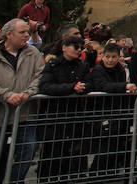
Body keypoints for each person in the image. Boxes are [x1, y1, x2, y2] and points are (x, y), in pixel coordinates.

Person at [0, 19, 42, 184]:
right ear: (9, 34)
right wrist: (6, 95)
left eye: (28, 32)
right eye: (22, 32)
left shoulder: (33, 53)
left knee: (27, 152)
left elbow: (40, 76)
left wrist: (27, 93)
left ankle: (15, 181)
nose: (27, 35)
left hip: (25, 114)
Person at [37, 36, 91, 180]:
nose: (79, 50)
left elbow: (90, 82)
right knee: (52, 156)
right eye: (75, 47)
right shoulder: (53, 64)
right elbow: (45, 86)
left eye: (81, 48)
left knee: (72, 155)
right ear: (64, 47)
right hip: (55, 117)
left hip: (75, 116)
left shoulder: (82, 65)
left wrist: (83, 87)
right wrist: (71, 87)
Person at [87, 42, 136, 176]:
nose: (110, 60)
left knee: (115, 146)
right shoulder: (98, 70)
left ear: (119, 57)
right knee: (104, 149)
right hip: (102, 112)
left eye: (114, 57)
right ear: (103, 56)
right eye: (107, 57)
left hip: (117, 113)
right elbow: (102, 86)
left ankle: (107, 173)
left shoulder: (120, 70)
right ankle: (94, 176)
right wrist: (124, 86)